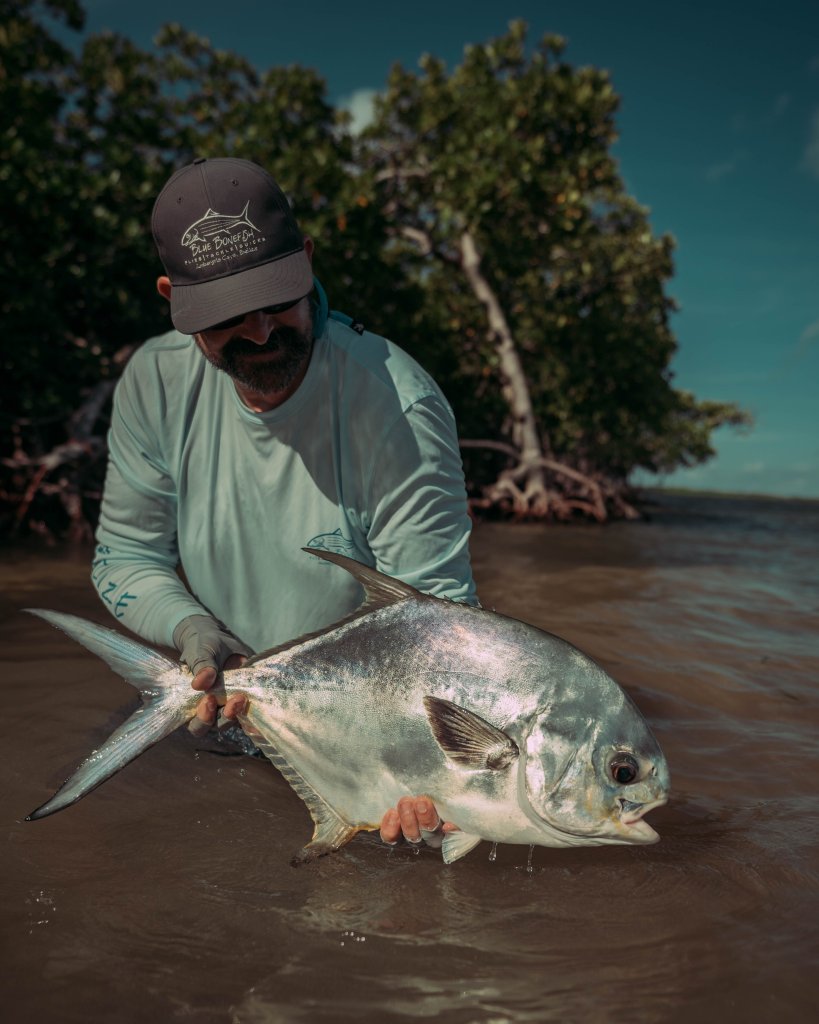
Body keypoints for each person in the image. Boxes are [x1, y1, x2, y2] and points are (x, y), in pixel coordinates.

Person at [91, 157, 476, 848]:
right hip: (215, 705)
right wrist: (190, 631)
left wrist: (420, 772)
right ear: (171, 298)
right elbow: (126, 555)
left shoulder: (397, 407)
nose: (263, 335)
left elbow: (435, 627)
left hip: (359, 724)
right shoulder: (153, 382)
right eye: (229, 317)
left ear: (306, 259)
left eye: (277, 302)